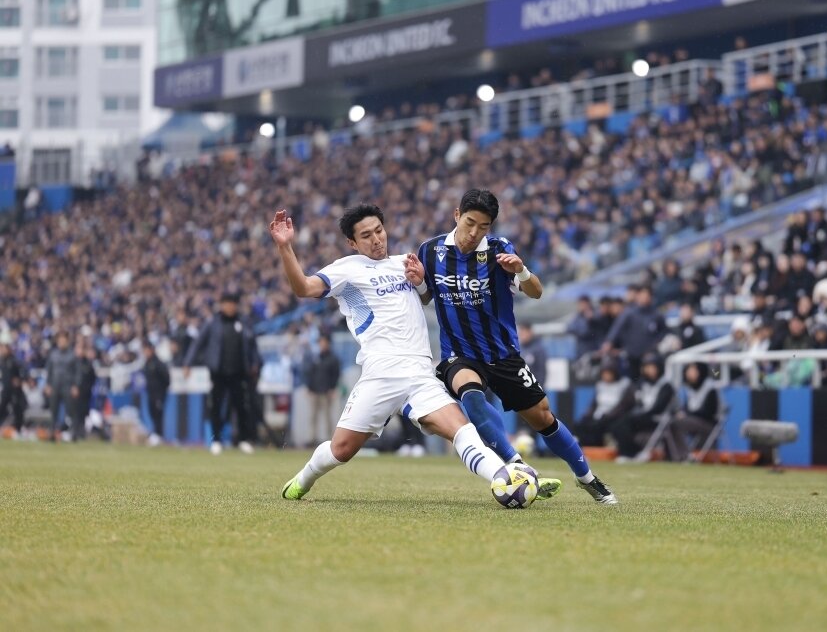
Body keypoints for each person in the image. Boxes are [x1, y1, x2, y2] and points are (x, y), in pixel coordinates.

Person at [270, 205, 534, 501]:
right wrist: (285, 247)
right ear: (353, 243)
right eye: (366, 236)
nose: (376, 240)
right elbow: (303, 288)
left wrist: (421, 281)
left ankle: (504, 479)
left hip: (420, 373)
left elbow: (425, 298)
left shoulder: (405, 262)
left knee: (461, 429)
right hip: (381, 374)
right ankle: (303, 480)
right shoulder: (347, 268)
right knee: (340, 450)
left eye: (379, 231)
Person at [407, 189, 616, 504]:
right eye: (470, 223)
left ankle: (586, 477)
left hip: (503, 354)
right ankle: (516, 464)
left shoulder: (499, 251)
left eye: (484, 227)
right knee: (471, 395)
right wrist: (420, 282)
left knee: (543, 418)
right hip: (460, 354)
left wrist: (521, 270)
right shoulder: (430, 250)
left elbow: (536, 292)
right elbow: (425, 298)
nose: (474, 233)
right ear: (456, 216)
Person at [184, 292, 259, 455]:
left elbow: (252, 345)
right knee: (215, 407)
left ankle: (243, 440)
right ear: (222, 305)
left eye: (232, 303)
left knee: (241, 408)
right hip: (218, 373)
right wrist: (188, 363)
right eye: (227, 303)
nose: (230, 307)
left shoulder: (243, 322)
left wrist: (255, 364)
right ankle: (216, 441)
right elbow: (198, 343)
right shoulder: (212, 323)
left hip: (239, 372)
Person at [610, 353, 678, 462]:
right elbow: (638, 402)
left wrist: (640, 414)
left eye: (652, 367)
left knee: (626, 422)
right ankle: (629, 451)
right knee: (617, 423)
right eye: (647, 367)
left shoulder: (666, 385)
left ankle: (631, 453)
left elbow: (658, 407)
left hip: (656, 418)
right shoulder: (643, 384)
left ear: (659, 367)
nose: (649, 370)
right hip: (642, 416)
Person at [574, 359, 632, 447]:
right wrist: (588, 415)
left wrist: (608, 416)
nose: (606, 376)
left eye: (609, 373)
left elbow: (622, 406)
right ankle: (583, 449)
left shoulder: (623, 385)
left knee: (604, 425)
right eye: (604, 373)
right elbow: (594, 404)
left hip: (613, 417)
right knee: (581, 424)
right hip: (599, 415)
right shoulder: (600, 385)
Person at [670, 362, 720, 461]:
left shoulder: (711, 388)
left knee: (676, 423)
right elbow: (687, 408)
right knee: (671, 421)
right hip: (694, 421)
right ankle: (676, 455)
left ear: (701, 372)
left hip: (708, 423)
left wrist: (687, 414)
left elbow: (709, 412)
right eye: (688, 370)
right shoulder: (689, 388)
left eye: (693, 370)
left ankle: (685, 455)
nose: (689, 373)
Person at [303, 334, 341, 447]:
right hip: (315, 391)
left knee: (328, 416)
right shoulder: (317, 357)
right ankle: (312, 439)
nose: (322, 344)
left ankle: (331, 441)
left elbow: (336, 375)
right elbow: (311, 374)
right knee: (313, 417)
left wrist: (333, 388)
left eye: (324, 342)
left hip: (326, 392)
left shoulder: (333, 359)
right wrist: (309, 388)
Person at [44, 332, 76, 443]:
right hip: (55, 385)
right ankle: (52, 432)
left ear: (67, 341)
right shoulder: (53, 354)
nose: (61, 343)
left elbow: (76, 372)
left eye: (63, 340)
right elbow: (49, 371)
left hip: (67, 386)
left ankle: (72, 433)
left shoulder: (72, 355)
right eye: (60, 340)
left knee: (70, 411)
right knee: (53, 411)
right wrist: (48, 384)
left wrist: (75, 386)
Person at [142, 342, 170, 446]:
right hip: (150, 393)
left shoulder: (158, 363)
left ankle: (159, 435)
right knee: (152, 413)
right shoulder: (146, 363)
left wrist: (161, 391)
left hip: (159, 394)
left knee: (158, 414)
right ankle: (155, 434)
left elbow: (167, 379)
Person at [70, 339, 96, 442]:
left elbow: (92, 378)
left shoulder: (88, 364)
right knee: (74, 414)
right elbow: (69, 377)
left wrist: (87, 388)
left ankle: (81, 433)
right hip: (74, 393)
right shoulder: (73, 363)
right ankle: (74, 433)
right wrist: (73, 387)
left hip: (85, 393)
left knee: (83, 414)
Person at [0, 342, 28, 438]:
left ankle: (18, 429)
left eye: (3, 348)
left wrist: (19, 379)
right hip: (5, 390)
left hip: (15, 391)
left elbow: (25, 370)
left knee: (17, 410)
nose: (1, 350)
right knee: (2, 409)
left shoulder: (14, 360)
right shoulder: (2, 361)